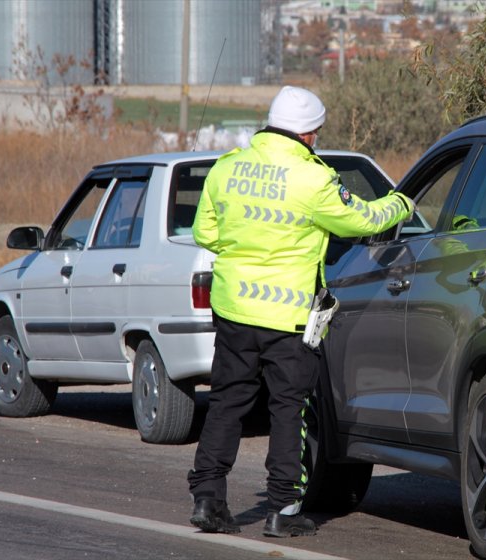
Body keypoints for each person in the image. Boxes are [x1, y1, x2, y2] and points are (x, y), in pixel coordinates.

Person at [187, 86, 414, 538]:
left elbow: (204, 234)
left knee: (227, 403)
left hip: (233, 310)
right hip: (288, 317)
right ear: (310, 134)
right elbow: (365, 220)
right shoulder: (314, 179)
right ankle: (282, 511)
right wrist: (402, 203)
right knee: (289, 409)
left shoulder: (226, 169)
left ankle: (208, 500)